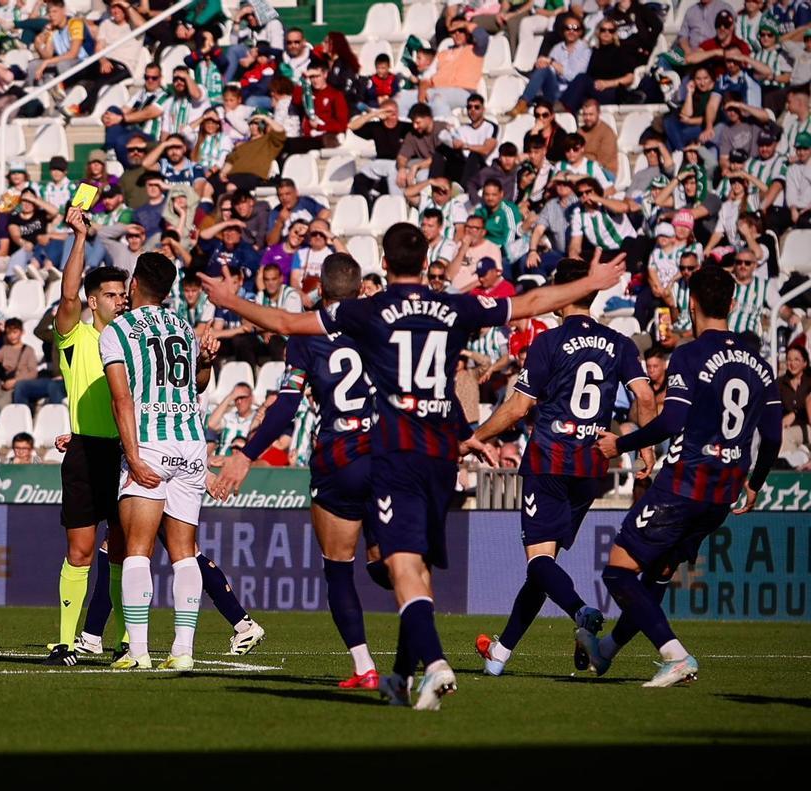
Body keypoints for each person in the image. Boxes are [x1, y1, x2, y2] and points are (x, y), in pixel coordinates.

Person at [197, 223, 626, 709]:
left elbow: (286, 324)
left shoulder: (366, 310)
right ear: (426, 261)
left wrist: (230, 302)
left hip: (394, 451)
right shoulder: (451, 305)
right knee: (413, 568)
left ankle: (435, 664)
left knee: (400, 570)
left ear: (384, 255)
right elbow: (528, 304)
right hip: (440, 455)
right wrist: (590, 284)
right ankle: (401, 676)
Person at [586, 266, 782, 686]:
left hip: (685, 483)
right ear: (732, 304)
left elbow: (672, 419)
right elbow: (773, 437)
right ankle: (605, 651)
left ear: (691, 303)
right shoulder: (762, 365)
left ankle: (675, 656)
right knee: (657, 571)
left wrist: (619, 445)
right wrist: (756, 482)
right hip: (724, 491)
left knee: (618, 573)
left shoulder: (690, 355)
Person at [463, 259, 657, 677]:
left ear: (564, 293)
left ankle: (581, 611)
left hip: (550, 458)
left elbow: (518, 407)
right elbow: (644, 396)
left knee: (537, 562)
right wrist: (645, 449)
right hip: (590, 467)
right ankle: (500, 654)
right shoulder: (620, 343)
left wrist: (477, 435)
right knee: (544, 566)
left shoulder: (549, 342)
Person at [212, 253, 386, 689]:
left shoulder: (308, 334)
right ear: (361, 288)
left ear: (320, 290)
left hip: (338, 457)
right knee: (393, 564)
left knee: (337, 567)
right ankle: (426, 647)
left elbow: (287, 404)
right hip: (385, 455)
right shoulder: (384, 323)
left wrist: (246, 453)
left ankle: (364, 666)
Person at [100, 252, 218, 673]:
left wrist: (131, 455)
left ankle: (139, 650)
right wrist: (207, 361)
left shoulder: (118, 330)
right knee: (185, 553)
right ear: (168, 290)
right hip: (190, 444)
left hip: (150, 443)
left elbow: (121, 398)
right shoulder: (183, 327)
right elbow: (197, 385)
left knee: (137, 550)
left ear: (134, 284)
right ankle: (183, 651)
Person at [46, 208, 130, 666]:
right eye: (111, 294)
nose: (119, 300)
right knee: (79, 551)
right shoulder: (76, 336)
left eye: (123, 294)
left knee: (121, 552)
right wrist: (79, 237)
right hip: (83, 452)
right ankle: (64, 642)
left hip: (125, 453)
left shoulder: (136, 341)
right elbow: (67, 294)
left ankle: (124, 642)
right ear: (93, 301)